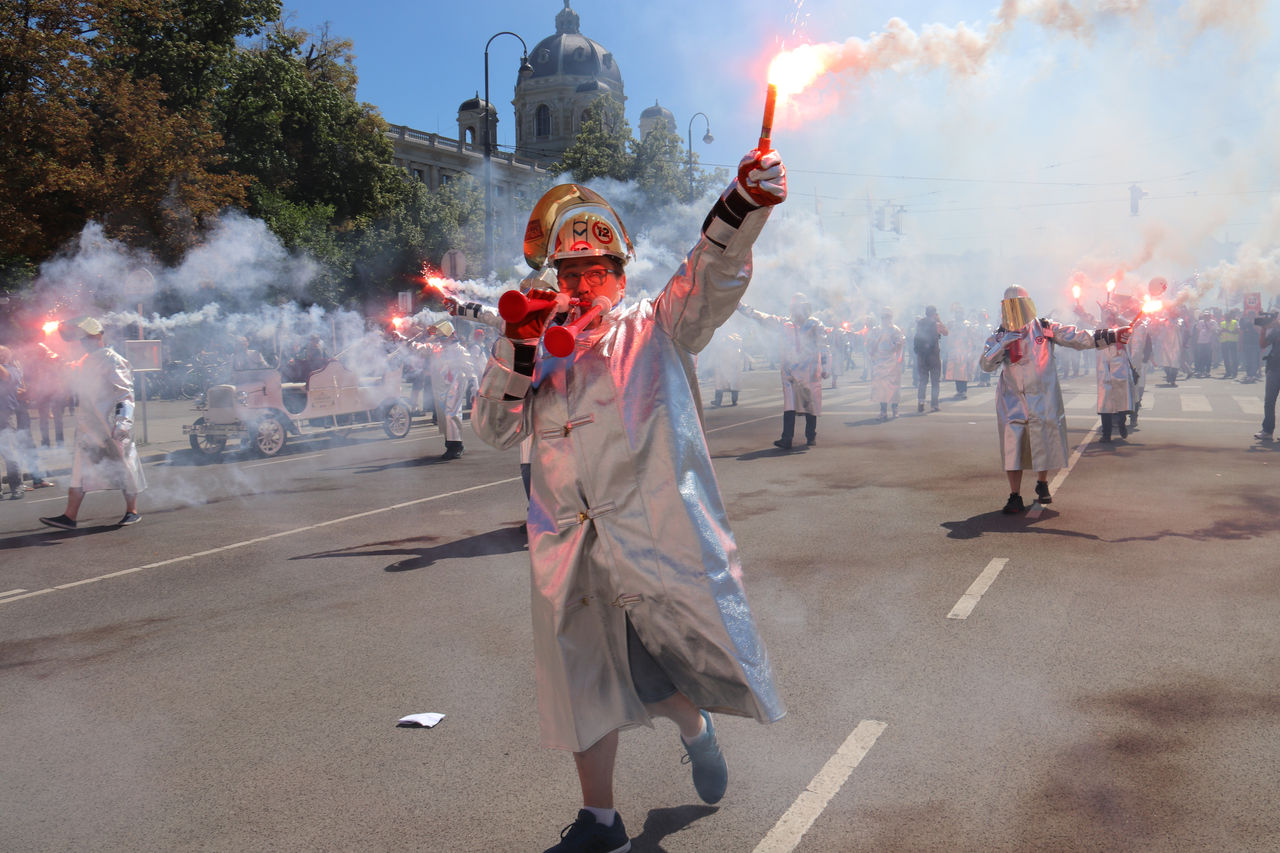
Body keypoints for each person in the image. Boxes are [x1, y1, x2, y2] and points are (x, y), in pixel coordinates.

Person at [472, 152, 787, 853]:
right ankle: (601, 822)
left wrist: (742, 203)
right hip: (569, 547)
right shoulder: (537, 350)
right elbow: (489, 429)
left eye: (597, 271)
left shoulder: (655, 325)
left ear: (620, 274)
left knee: (650, 678)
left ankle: (696, 729)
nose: (582, 285)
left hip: (651, 541)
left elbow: (709, 274)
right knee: (584, 676)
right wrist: (517, 352)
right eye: (570, 274)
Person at [979, 286, 1130, 514]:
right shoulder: (999, 335)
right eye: (1010, 304)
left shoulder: (1045, 327)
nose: (1016, 309)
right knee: (1013, 446)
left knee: (1043, 440)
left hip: (1042, 395)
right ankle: (1014, 495)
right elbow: (985, 365)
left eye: (1019, 303)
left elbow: (1079, 337)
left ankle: (1042, 482)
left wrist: (1112, 334)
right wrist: (1003, 345)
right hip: (1011, 400)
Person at [39, 318, 146, 528]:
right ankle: (70, 516)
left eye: (86, 338)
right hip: (89, 427)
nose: (82, 343)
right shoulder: (87, 359)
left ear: (97, 336)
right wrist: (51, 357)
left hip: (111, 426)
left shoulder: (114, 360)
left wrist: (123, 422)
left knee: (125, 466)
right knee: (79, 470)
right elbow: (71, 371)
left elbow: (126, 394)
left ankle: (132, 511)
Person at [741, 293, 829, 449]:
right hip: (789, 370)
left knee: (810, 403)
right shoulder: (785, 323)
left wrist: (825, 365)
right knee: (789, 404)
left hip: (809, 370)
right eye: (795, 308)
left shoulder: (815, 324)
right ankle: (787, 438)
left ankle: (811, 436)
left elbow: (823, 345)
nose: (797, 311)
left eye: (800, 307)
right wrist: (739, 306)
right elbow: (761, 317)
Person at [1095, 309, 1137, 442]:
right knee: (1105, 404)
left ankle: (1121, 424)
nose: (1109, 317)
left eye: (1111, 315)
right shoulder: (1100, 328)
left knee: (1122, 400)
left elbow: (1132, 326)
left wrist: (1118, 316)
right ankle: (1106, 434)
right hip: (1104, 370)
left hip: (1120, 369)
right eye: (1107, 315)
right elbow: (1091, 326)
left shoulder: (1123, 328)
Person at [868, 308, 905, 421]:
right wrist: (873, 355)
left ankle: (895, 410)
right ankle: (883, 411)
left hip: (892, 361)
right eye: (883, 317)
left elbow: (900, 344)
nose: (885, 319)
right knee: (881, 387)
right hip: (880, 361)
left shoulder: (895, 330)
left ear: (891, 318)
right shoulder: (876, 330)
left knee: (893, 386)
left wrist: (896, 355)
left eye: (887, 317)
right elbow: (871, 344)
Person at [0, 345, 26, 499]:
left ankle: (17, 486)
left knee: (9, 451)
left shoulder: (12, 370)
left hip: (5, 415)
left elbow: (4, 376)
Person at [913, 305, 948, 412]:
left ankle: (921, 402)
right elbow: (946, 332)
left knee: (923, 380)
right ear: (934, 313)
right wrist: (939, 320)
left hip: (922, 356)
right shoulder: (936, 324)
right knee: (935, 381)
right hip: (933, 356)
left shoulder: (920, 323)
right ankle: (934, 404)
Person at [1254, 311, 1280, 441]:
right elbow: (1263, 345)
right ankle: (1267, 430)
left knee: (1269, 401)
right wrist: (1263, 329)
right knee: (1269, 401)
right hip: (1274, 368)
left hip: (1275, 368)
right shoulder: (1275, 331)